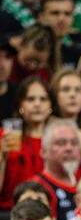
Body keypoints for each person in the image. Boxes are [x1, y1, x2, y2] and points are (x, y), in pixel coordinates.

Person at [0, 77, 51, 211]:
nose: (37, 104)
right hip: (8, 213)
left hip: (48, 212)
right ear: (20, 105)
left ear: (50, 105)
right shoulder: (6, 136)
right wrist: (2, 158)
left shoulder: (58, 139)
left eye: (43, 99)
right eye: (30, 99)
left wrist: (60, 121)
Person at [30, 118, 81, 220]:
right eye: (61, 143)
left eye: (74, 143)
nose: (69, 148)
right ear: (44, 151)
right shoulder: (36, 188)